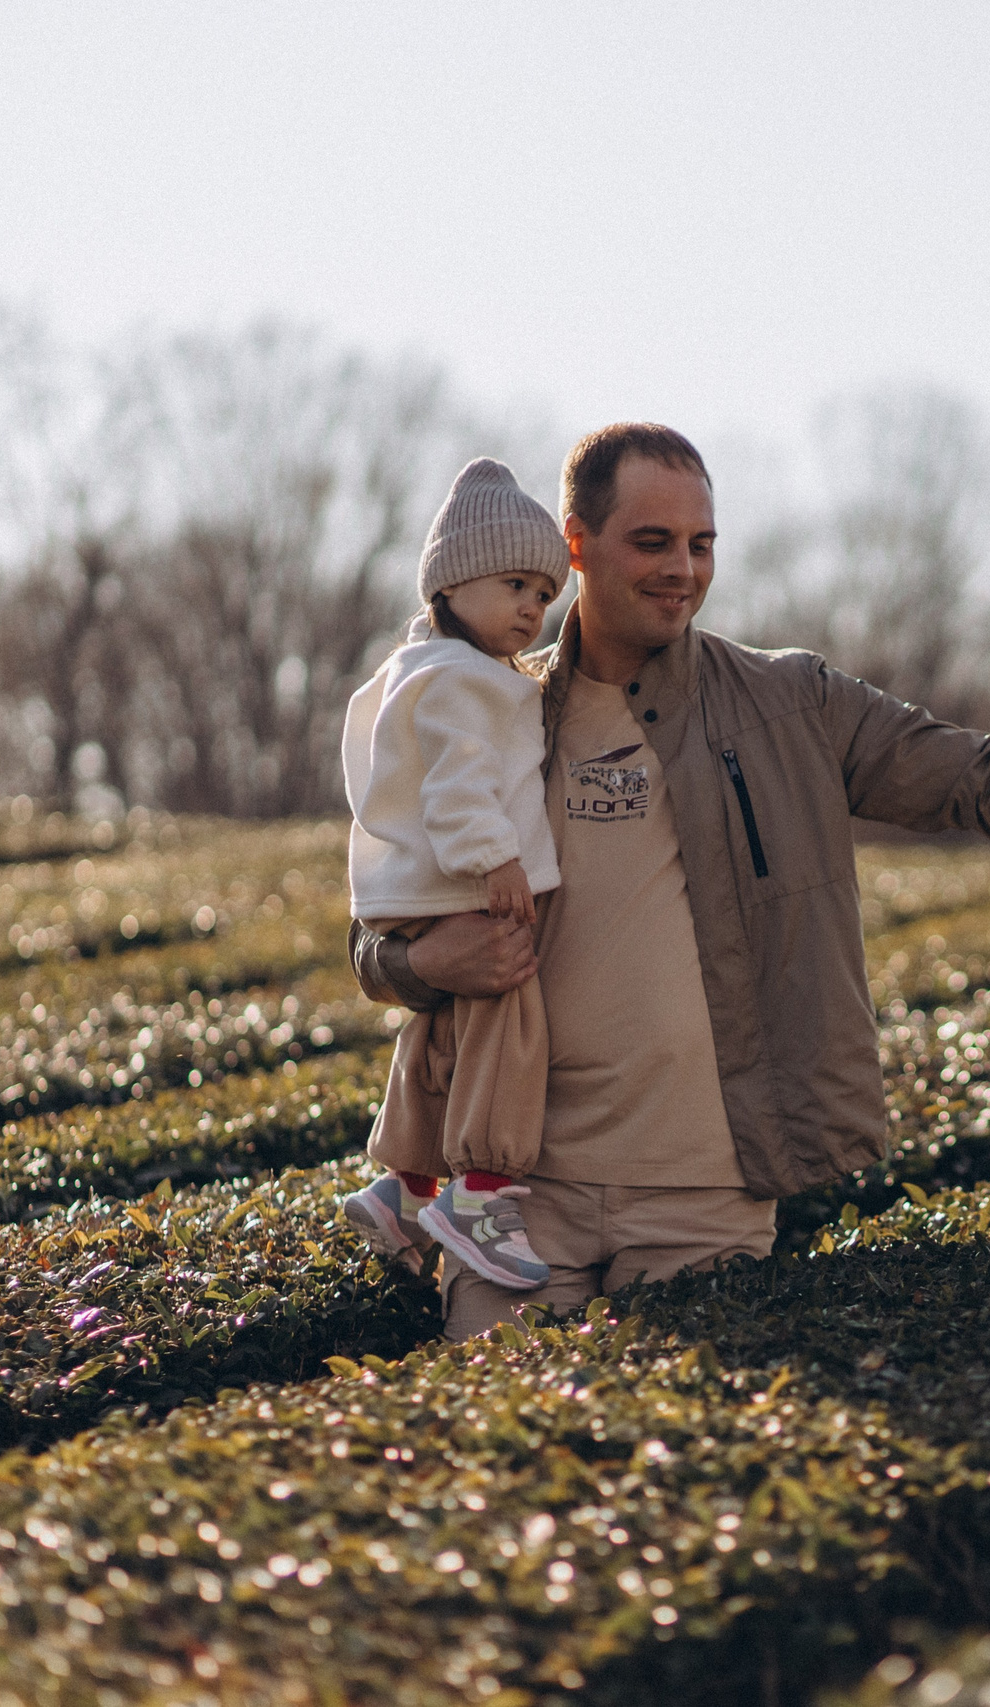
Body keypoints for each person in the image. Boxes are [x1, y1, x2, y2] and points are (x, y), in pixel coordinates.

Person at [351, 422, 990, 1336]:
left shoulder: (787, 702)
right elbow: (380, 918)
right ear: (576, 545)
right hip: (517, 1200)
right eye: (653, 541)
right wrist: (423, 962)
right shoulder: (492, 712)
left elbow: (979, 774)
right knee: (498, 1421)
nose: (683, 569)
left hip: (704, 1200)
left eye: (702, 544)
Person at [338, 458, 568, 1293]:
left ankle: (405, 1188)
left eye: (544, 593)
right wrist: (495, 857)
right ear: (453, 583)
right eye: (514, 584)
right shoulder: (461, 681)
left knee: (439, 1033)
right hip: (460, 879)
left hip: (414, 891)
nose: (532, 609)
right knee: (509, 1020)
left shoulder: (422, 667)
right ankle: (482, 1190)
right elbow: (458, 782)